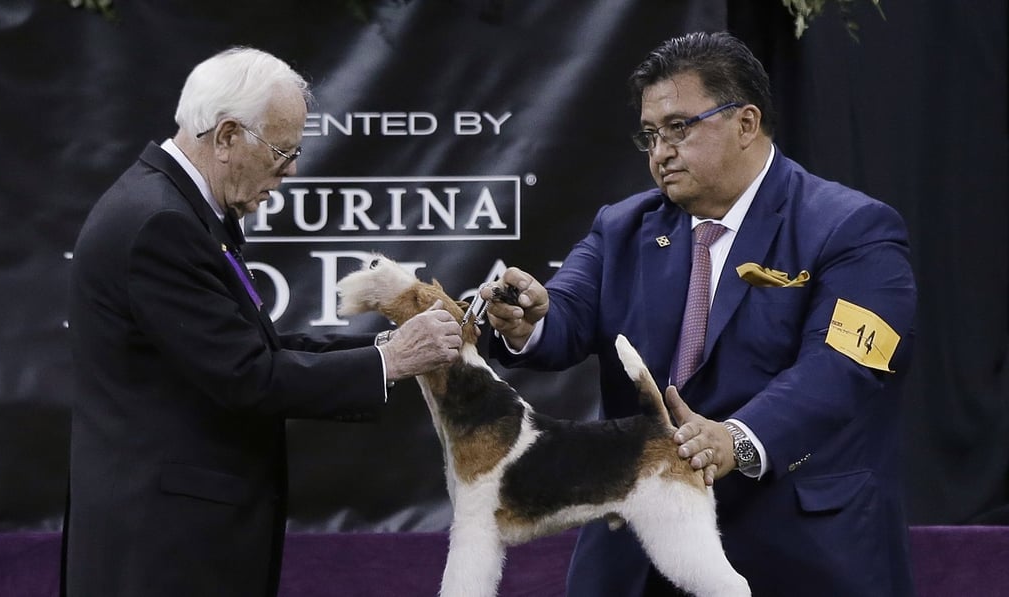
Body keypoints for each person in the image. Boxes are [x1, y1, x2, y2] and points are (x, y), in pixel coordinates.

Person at [482, 31, 917, 596]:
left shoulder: (852, 228)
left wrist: (737, 439)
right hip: (641, 547)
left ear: (745, 123)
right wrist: (528, 320)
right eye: (650, 134)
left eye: (679, 127)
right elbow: (564, 311)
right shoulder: (621, 227)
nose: (661, 150)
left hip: (799, 548)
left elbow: (844, 367)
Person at [61, 47, 464, 597]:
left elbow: (254, 348)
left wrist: (386, 348)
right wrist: (389, 362)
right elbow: (247, 376)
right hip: (164, 551)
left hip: (175, 534)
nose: (293, 169)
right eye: (282, 150)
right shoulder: (161, 223)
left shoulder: (178, 208)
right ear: (226, 136)